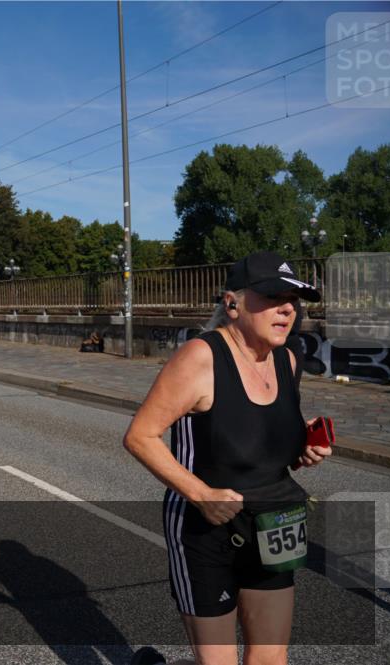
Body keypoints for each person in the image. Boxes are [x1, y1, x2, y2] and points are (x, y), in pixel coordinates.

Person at [123, 252, 331, 665]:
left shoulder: (288, 359)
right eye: (273, 296)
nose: (288, 308)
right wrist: (200, 494)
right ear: (232, 304)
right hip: (206, 532)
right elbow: (140, 436)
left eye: (294, 299)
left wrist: (302, 447)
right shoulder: (200, 358)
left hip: (273, 523)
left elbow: (259, 434)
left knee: (271, 658)